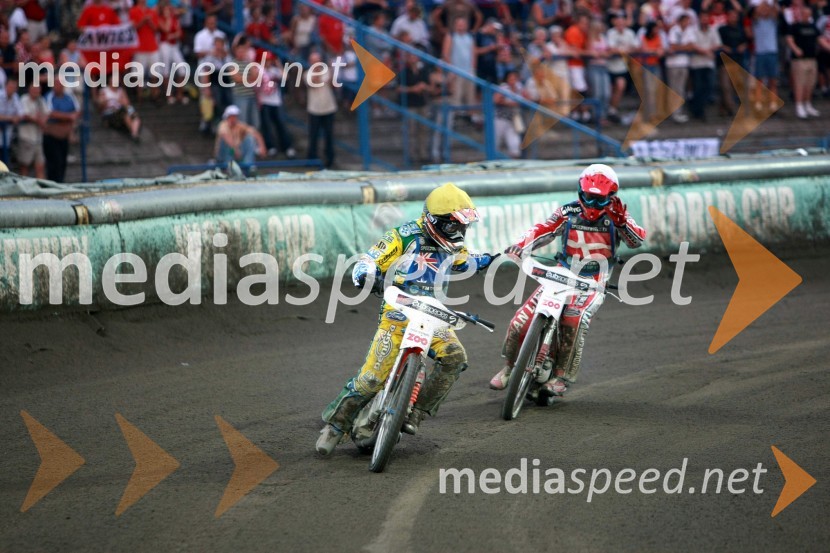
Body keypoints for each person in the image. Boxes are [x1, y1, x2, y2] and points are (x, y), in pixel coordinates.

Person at [316, 183, 498, 455]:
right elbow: (370, 259)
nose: (460, 233)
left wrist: (489, 259)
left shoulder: (452, 245)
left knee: (455, 358)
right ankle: (335, 426)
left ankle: (416, 413)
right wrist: (366, 275)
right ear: (436, 221)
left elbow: (464, 261)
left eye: (463, 227)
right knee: (371, 379)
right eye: (455, 227)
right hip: (398, 312)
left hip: (433, 314)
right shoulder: (404, 235)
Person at [490, 164, 646, 398]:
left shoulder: (618, 217)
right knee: (521, 321)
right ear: (580, 193)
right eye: (588, 198)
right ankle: (511, 367)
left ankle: (561, 376)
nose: (592, 205)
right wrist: (520, 246)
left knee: (574, 320)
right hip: (561, 274)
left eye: (599, 200)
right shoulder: (567, 212)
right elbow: (543, 229)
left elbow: (637, 240)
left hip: (592, 282)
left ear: (611, 197)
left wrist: (623, 223)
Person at [786, 6, 821, 118]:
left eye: (808, 14)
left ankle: (808, 104)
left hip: (812, 59)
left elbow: (819, 40)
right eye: (805, 13)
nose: (807, 15)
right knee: (800, 84)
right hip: (799, 60)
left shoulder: (813, 27)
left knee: (810, 84)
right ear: (801, 14)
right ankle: (799, 106)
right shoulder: (794, 26)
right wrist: (796, 49)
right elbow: (789, 39)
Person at [258, 54, 295, 158]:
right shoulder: (259, 69)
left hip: (276, 101)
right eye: (267, 60)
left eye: (270, 60)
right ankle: (270, 147)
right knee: (267, 126)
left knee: (281, 125)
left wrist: (278, 64)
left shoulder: (275, 70)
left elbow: (286, 77)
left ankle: (287, 147)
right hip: (264, 101)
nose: (268, 62)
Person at [398, 49, 432, 163]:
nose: (413, 58)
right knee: (411, 130)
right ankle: (411, 155)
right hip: (410, 104)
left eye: (415, 56)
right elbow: (398, 88)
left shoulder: (423, 71)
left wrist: (424, 87)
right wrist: (413, 89)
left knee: (423, 130)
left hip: (422, 103)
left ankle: (423, 154)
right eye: (411, 56)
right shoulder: (404, 72)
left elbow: (431, 87)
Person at [305, 51, 337, 168]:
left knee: (329, 135)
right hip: (314, 109)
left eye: (317, 60)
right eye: (313, 61)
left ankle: (330, 159)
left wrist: (332, 69)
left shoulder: (327, 71)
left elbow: (333, 83)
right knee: (313, 135)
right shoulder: (307, 74)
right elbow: (314, 82)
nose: (316, 63)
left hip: (328, 108)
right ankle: (311, 159)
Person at [43, 81, 79, 183]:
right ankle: (52, 185)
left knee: (62, 163)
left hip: (64, 137)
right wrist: (68, 116)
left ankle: (60, 183)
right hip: (51, 136)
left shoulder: (69, 97)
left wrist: (66, 117)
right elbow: (50, 113)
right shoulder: (49, 96)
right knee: (54, 163)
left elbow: (77, 111)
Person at [606, 13, 638, 123]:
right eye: (617, 22)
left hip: (622, 67)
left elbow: (635, 47)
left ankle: (612, 109)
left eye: (622, 22)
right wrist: (624, 50)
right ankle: (607, 109)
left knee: (620, 86)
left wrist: (621, 50)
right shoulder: (610, 33)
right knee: (609, 90)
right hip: (610, 66)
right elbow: (611, 48)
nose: (620, 24)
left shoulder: (630, 33)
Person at [689, 14, 721, 121]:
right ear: (699, 20)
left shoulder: (712, 30)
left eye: (706, 19)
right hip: (697, 64)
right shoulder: (693, 30)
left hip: (709, 63)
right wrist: (706, 51)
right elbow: (693, 45)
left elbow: (717, 44)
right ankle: (698, 111)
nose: (705, 21)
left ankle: (698, 108)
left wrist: (708, 50)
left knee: (709, 87)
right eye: (703, 19)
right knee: (698, 88)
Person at [666, 13, 696, 123]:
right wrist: (685, 47)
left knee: (681, 89)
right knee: (674, 89)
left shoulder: (690, 30)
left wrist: (680, 48)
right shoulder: (674, 30)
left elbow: (692, 46)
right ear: (681, 21)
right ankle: (674, 113)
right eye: (686, 21)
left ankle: (678, 112)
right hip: (673, 64)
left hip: (684, 63)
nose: (688, 23)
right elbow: (672, 46)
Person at [751, 0, 780, 112]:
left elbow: (775, 11)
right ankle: (758, 102)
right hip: (760, 53)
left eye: (767, 9)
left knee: (773, 80)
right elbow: (756, 11)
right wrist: (764, 2)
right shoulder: (756, 21)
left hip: (772, 52)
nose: (765, 10)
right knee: (759, 79)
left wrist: (771, 4)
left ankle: (773, 102)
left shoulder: (773, 21)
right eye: (763, 8)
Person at [129, 0, 161, 98]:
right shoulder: (133, 11)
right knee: (138, 74)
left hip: (152, 46)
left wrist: (149, 21)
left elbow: (156, 29)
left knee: (155, 72)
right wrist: (143, 21)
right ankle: (139, 96)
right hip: (139, 47)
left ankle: (154, 94)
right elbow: (132, 28)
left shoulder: (152, 11)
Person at [17, 83, 47, 178]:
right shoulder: (24, 99)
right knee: (25, 165)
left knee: (40, 165)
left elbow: (46, 113)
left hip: (38, 138)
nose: (36, 92)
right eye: (34, 90)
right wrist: (38, 120)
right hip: (26, 138)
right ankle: (23, 188)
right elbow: (25, 115)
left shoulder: (41, 100)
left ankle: (41, 189)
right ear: (29, 90)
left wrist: (41, 120)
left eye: (38, 90)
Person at [493, 71, 524, 158]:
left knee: (515, 146)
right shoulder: (503, 87)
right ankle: (493, 162)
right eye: (511, 78)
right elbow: (495, 100)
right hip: (500, 119)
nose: (513, 81)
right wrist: (509, 103)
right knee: (496, 143)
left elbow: (527, 99)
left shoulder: (520, 88)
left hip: (513, 119)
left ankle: (511, 163)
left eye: (515, 78)